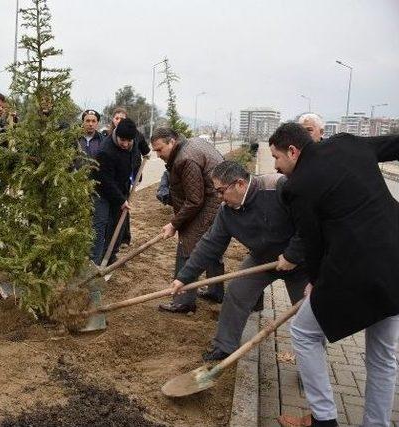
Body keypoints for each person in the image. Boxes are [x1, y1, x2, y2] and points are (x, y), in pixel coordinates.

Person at [269, 123, 399, 427]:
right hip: (396, 262)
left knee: (303, 332)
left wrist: (314, 281)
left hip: (355, 271)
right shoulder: (348, 143)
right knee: (383, 358)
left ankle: (324, 418)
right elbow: (395, 144)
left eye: (276, 157)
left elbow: (312, 243)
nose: (275, 166)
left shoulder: (297, 187)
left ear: (293, 150)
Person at [171, 161, 307, 360]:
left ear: (240, 184)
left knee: (307, 316)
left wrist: (292, 255)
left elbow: (309, 224)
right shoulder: (227, 211)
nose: (219, 197)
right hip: (263, 259)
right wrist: (184, 277)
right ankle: (224, 346)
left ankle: (309, 367)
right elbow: (210, 244)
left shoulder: (278, 188)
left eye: (221, 191)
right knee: (236, 292)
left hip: (300, 263)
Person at [150, 128, 225, 313]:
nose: (158, 155)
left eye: (160, 150)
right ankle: (215, 292)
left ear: (172, 142)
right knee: (212, 244)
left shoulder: (185, 159)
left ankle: (183, 301)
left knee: (187, 246)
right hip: (218, 199)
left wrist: (175, 224)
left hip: (211, 202)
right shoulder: (189, 145)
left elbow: (194, 200)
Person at [91, 118, 137, 265]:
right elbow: (105, 181)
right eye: (122, 140)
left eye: (128, 141)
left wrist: (136, 173)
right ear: (116, 135)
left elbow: (138, 155)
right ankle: (94, 263)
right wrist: (121, 200)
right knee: (100, 225)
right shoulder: (106, 151)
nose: (125, 144)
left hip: (121, 189)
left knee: (118, 225)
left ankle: (109, 258)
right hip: (102, 191)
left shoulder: (132, 143)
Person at [106, 107, 150, 246]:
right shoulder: (108, 135)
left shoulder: (136, 135)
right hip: (115, 174)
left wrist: (144, 158)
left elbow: (146, 151)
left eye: (122, 118)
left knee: (125, 204)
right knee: (117, 205)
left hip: (131, 172)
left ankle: (125, 237)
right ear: (113, 120)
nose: (119, 121)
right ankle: (112, 239)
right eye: (117, 118)